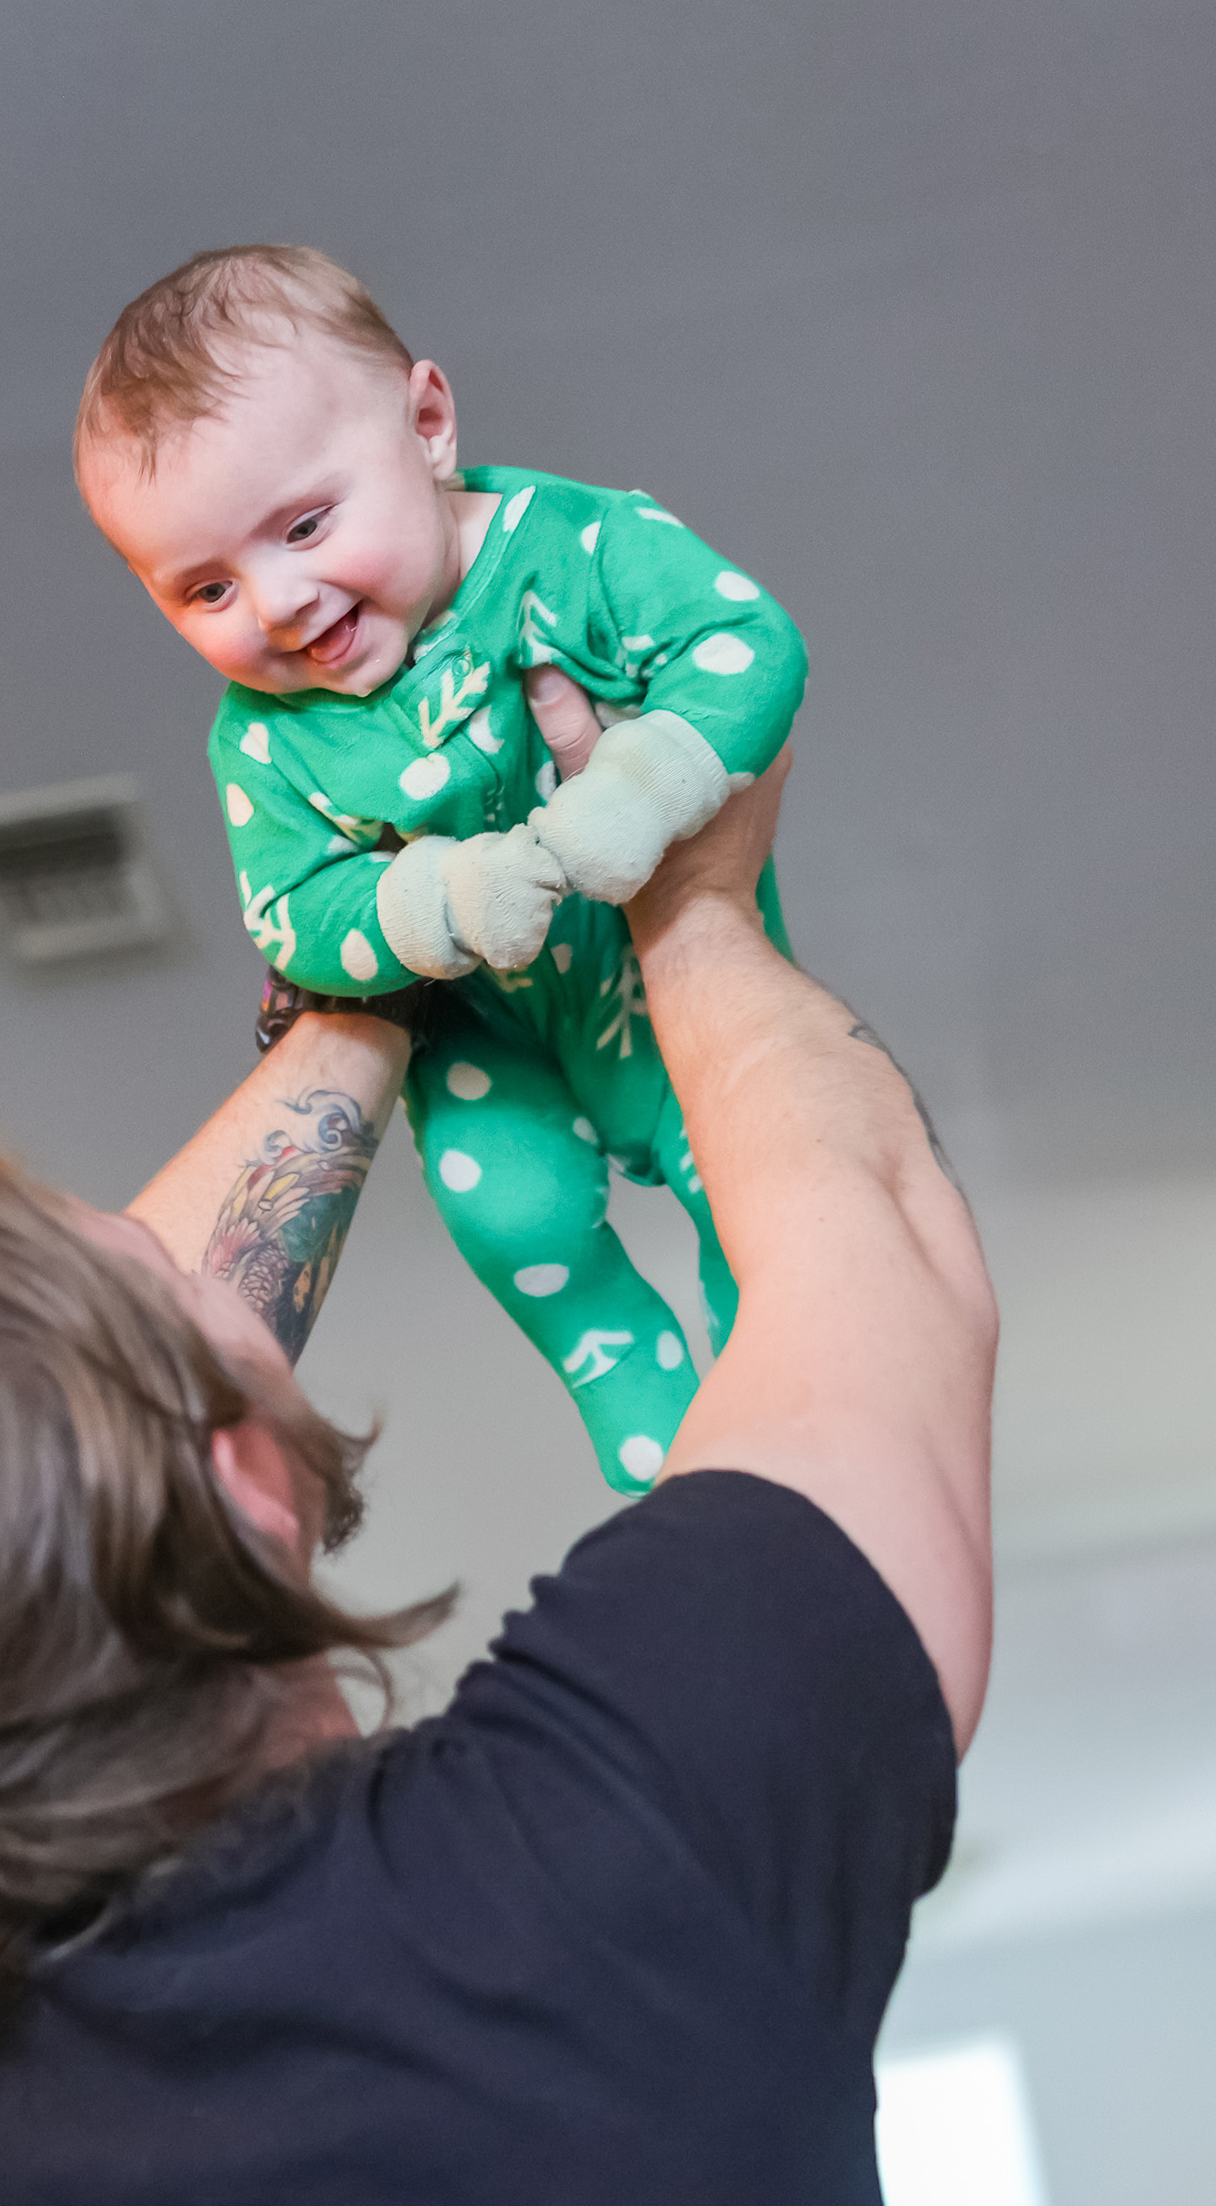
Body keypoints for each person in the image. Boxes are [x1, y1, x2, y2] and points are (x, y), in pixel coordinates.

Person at [0, 743, 995, 2206]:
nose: (197, 1264)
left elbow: (19, 1480)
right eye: (158, 1275)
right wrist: (683, 897)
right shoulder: (618, 1832)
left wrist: (369, 980)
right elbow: (879, 1249)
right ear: (240, 1486)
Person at [79, 243, 809, 1488]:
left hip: (657, 992)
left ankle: (777, 1430)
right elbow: (295, 914)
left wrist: (643, 787)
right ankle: (656, 1446)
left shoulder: (572, 545)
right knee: (513, 1219)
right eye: (205, 588)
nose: (279, 603)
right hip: (492, 1043)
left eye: (306, 525)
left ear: (426, 422)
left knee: (755, 1189)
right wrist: (438, 900)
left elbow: (748, 643)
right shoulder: (261, 738)